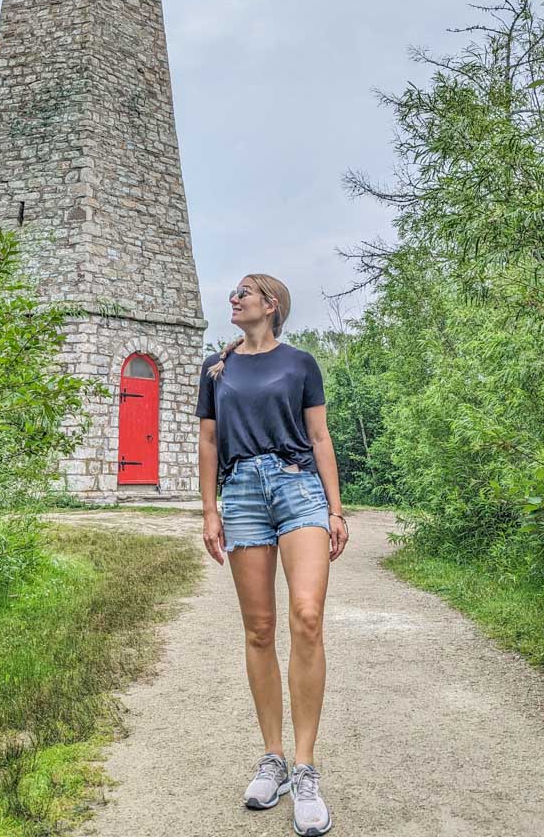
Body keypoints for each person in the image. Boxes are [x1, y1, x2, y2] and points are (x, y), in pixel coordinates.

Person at [195, 273, 348, 837]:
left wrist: (335, 508)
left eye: (245, 293)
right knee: (259, 629)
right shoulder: (216, 368)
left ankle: (306, 769)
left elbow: (320, 437)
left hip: (297, 486)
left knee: (306, 616)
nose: (234, 300)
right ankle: (274, 758)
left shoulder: (301, 363)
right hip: (239, 493)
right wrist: (209, 511)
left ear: (272, 305)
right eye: (233, 294)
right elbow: (208, 441)